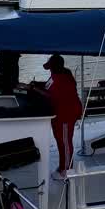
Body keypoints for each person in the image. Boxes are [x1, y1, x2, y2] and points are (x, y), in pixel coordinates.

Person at [34, 54, 83, 182]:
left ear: (55, 67)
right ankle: (63, 166)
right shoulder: (57, 76)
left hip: (66, 115)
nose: (49, 69)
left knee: (65, 142)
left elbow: (51, 95)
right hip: (59, 115)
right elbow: (48, 86)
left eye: (50, 67)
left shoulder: (63, 79)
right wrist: (36, 85)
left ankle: (67, 170)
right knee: (60, 141)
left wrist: (33, 89)